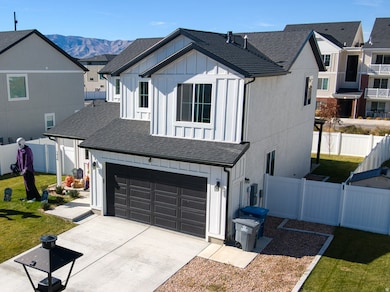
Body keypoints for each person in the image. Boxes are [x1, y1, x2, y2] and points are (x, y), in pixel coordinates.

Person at [16, 137, 41, 202]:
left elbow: (29, 160)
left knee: (30, 183)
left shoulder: (27, 150)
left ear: (23, 142)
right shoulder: (19, 150)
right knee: (27, 184)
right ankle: (33, 196)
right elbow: (18, 159)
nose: (18, 145)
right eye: (18, 143)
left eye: (19, 143)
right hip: (23, 170)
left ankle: (32, 197)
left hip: (28, 170)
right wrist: (17, 166)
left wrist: (25, 169)